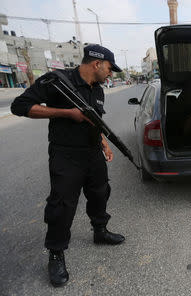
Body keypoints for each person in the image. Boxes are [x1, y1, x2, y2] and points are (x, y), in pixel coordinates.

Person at [10, 44, 125, 287]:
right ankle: (56, 253)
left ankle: (100, 230)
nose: (110, 74)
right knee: (61, 205)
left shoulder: (98, 90)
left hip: (93, 153)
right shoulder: (56, 81)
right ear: (96, 64)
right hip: (66, 155)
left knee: (100, 193)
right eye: (109, 68)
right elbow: (19, 106)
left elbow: (95, 119)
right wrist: (65, 113)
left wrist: (103, 143)